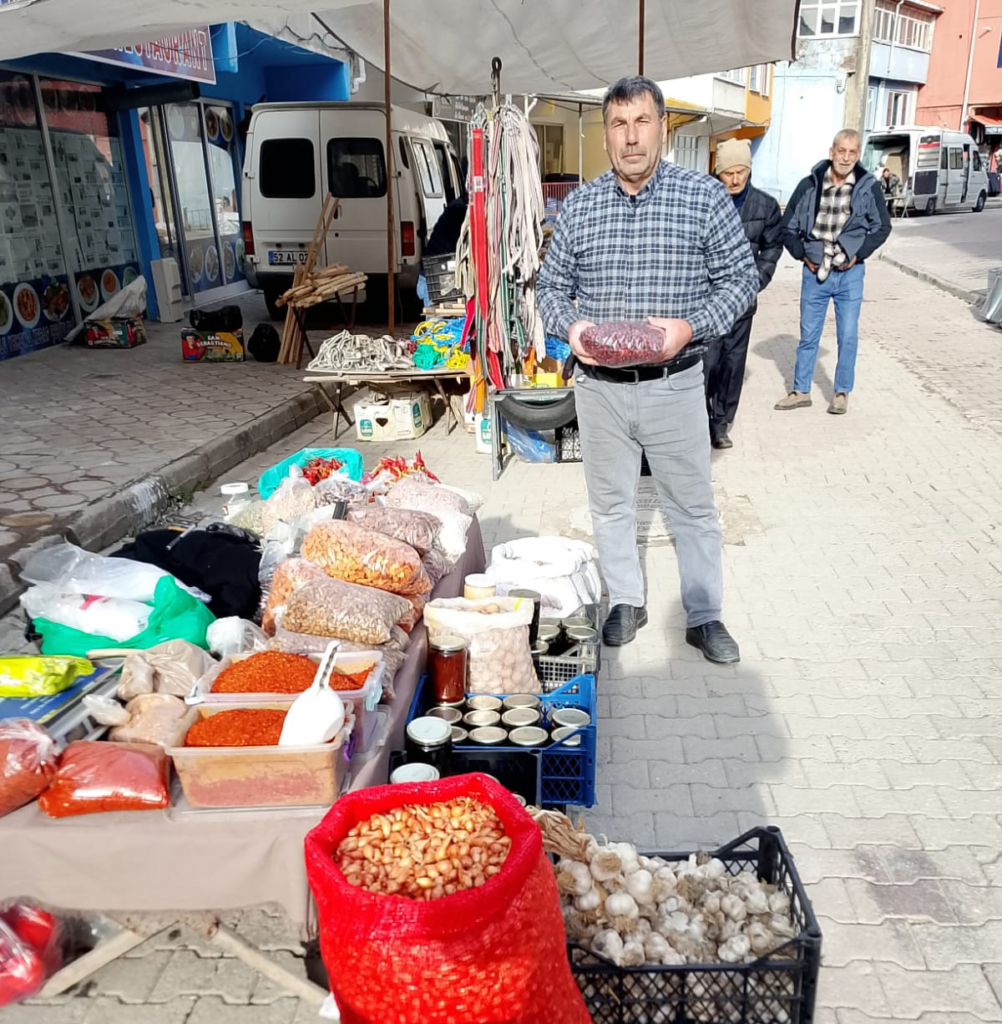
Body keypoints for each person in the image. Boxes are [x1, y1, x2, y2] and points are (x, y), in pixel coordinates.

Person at [537, 76, 758, 661]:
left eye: (641, 122)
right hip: (600, 390)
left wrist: (691, 326)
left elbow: (742, 281)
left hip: (674, 384)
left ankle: (704, 615)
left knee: (692, 507)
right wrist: (572, 329)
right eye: (618, 124)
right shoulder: (580, 206)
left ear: (662, 128)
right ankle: (626, 601)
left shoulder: (703, 198)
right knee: (610, 504)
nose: (630, 137)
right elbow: (549, 287)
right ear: (605, 134)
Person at [775, 130, 891, 416]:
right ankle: (801, 391)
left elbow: (882, 227)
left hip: (850, 274)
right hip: (815, 272)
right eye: (841, 151)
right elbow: (786, 227)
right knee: (808, 335)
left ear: (858, 155)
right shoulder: (809, 185)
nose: (846, 158)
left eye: (852, 153)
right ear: (832, 152)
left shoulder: (868, 186)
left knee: (848, 334)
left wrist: (858, 254)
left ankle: (841, 392)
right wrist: (802, 255)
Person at [703, 138, 782, 450]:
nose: (735, 179)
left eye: (741, 172)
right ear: (718, 172)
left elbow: (773, 247)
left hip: (743, 303)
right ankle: (699, 421)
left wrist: (756, 280)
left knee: (733, 366)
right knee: (706, 364)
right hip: (708, 302)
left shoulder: (765, 206)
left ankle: (721, 424)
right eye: (728, 173)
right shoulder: (703, 201)